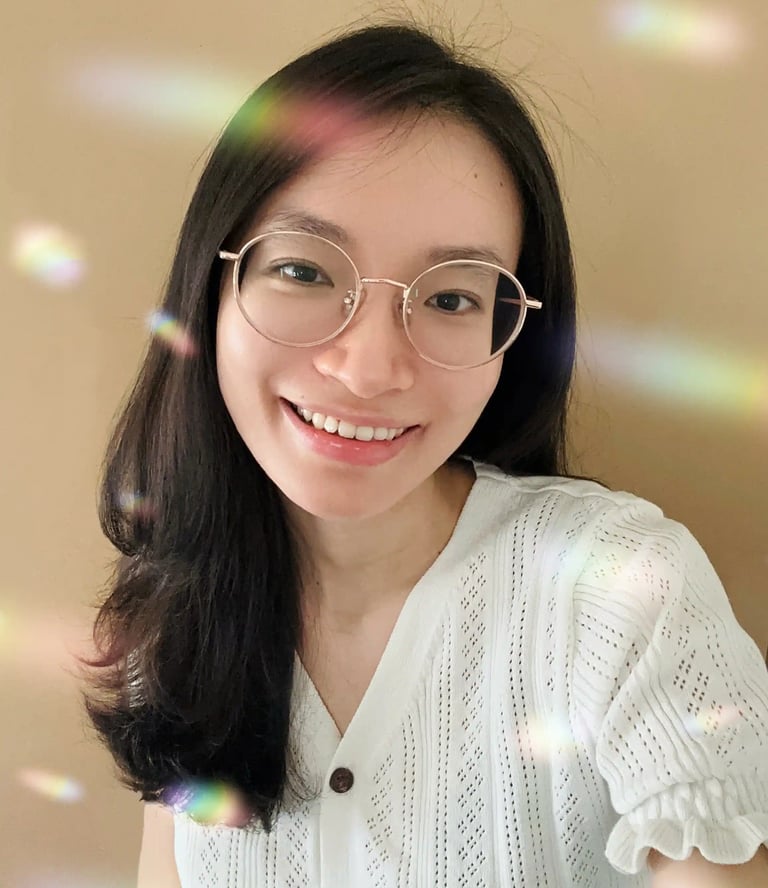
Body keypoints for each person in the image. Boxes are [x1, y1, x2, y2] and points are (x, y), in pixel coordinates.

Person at [78, 20, 768, 888]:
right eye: (304, 271)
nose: (369, 370)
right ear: (212, 289)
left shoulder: (621, 591)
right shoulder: (172, 619)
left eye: (449, 298)